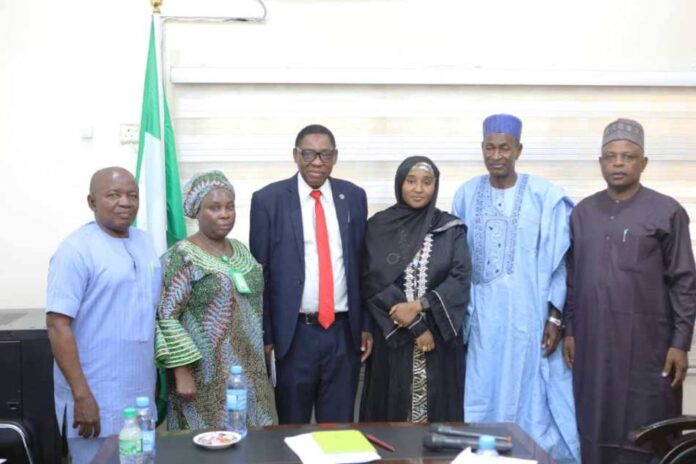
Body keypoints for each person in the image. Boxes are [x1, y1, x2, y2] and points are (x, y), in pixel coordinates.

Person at [563, 118, 696, 463]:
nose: (618, 163)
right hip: (593, 345)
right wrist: (571, 330)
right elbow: (572, 277)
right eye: (610, 156)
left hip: (649, 347)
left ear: (644, 163)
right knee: (594, 421)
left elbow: (684, 281)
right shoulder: (582, 213)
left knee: (649, 426)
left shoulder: (668, 212)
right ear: (601, 163)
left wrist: (680, 343)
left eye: (627, 156)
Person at [452, 114, 580, 463]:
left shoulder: (543, 195)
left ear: (518, 150)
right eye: (490, 148)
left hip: (530, 319)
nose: (497, 155)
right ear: (482, 149)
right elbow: (456, 262)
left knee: (533, 401)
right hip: (483, 324)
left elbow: (562, 261)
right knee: (483, 393)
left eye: (504, 148)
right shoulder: (465, 194)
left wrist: (555, 318)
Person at [249, 124, 373, 424]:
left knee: (339, 428)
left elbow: (363, 265)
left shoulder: (353, 196)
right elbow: (258, 275)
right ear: (295, 155)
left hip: (343, 333)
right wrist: (266, 335)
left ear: (335, 157)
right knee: (293, 427)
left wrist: (366, 325)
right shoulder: (268, 200)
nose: (317, 162)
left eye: (325, 154)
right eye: (309, 153)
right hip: (294, 336)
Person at [46, 167, 161, 464]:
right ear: (92, 202)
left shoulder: (145, 243)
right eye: (113, 195)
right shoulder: (75, 250)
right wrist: (81, 396)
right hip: (95, 399)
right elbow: (58, 326)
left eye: (132, 195)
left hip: (139, 395)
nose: (125, 202)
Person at [155, 170, 277, 429]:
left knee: (253, 445)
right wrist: (182, 372)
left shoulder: (241, 249)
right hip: (202, 377)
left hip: (250, 373)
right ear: (197, 212)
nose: (225, 214)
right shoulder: (182, 256)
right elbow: (166, 317)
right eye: (214, 208)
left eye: (229, 207)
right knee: (207, 447)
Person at [360, 156, 470, 422]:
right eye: (411, 181)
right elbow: (372, 280)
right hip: (392, 339)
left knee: (437, 416)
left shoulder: (450, 228)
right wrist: (416, 327)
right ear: (400, 184)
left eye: (426, 182)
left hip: (439, 340)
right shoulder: (379, 226)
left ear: (435, 187)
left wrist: (420, 307)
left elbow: (460, 277)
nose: (418, 189)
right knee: (391, 412)